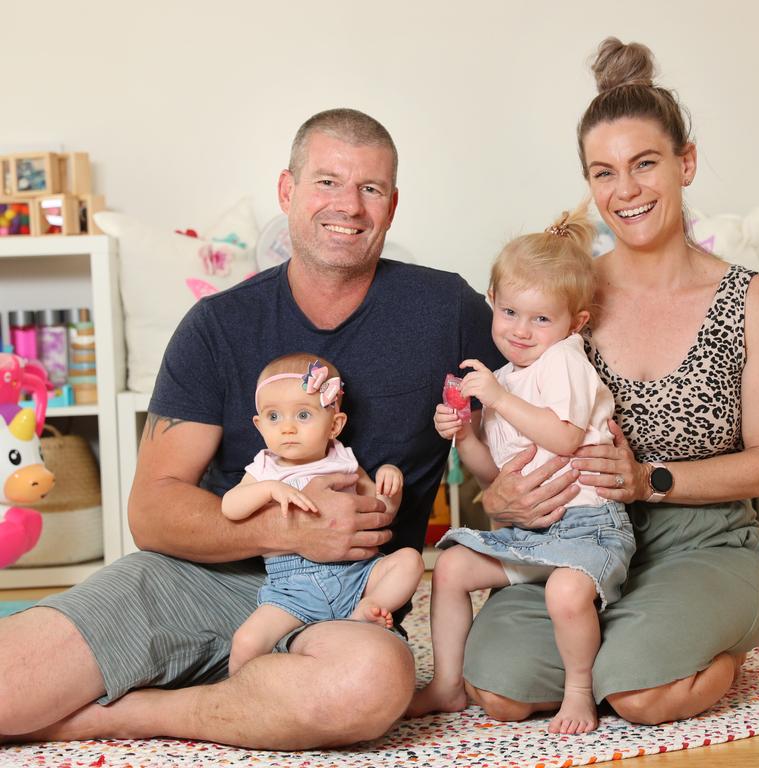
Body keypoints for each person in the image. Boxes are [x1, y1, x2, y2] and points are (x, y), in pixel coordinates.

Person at [0, 108, 502, 749]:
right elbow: (152, 510)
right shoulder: (216, 326)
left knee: (371, 684)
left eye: (369, 188)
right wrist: (289, 528)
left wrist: (507, 490)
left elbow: (523, 412)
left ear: (392, 206)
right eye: (326, 182)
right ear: (287, 192)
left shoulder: (447, 311)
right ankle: (233, 694)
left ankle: (124, 716)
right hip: (196, 577)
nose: (347, 205)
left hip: (341, 604)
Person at [460, 38, 759, 726]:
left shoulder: (755, 302)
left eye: (645, 164)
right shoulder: (563, 299)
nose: (626, 191)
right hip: (573, 540)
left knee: (637, 696)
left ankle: (724, 641)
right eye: (604, 172)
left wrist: (650, 479)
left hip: (702, 541)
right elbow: (506, 419)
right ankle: (627, 641)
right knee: (499, 691)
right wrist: (498, 494)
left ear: (686, 163)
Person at [408, 205, 634, 735]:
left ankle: (578, 692)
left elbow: (564, 436)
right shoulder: (506, 376)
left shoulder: (565, 362)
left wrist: (495, 399)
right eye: (509, 312)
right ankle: (447, 683)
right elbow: (492, 475)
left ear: (574, 324)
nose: (521, 331)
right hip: (531, 531)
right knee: (450, 568)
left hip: (588, 529)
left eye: (541, 318)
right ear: (492, 302)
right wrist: (464, 434)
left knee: (564, 594)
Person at [224, 353, 424, 675]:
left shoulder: (343, 460)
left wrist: (391, 484)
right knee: (246, 642)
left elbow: (380, 513)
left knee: (410, 561)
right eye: (274, 417)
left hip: (356, 574)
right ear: (259, 425)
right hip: (293, 587)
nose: (287, 428)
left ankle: (363, 614)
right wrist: (269, 489)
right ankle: (239, 699)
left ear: (335, 424)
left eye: (303, 415)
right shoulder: (264, 469)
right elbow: (230, 507)